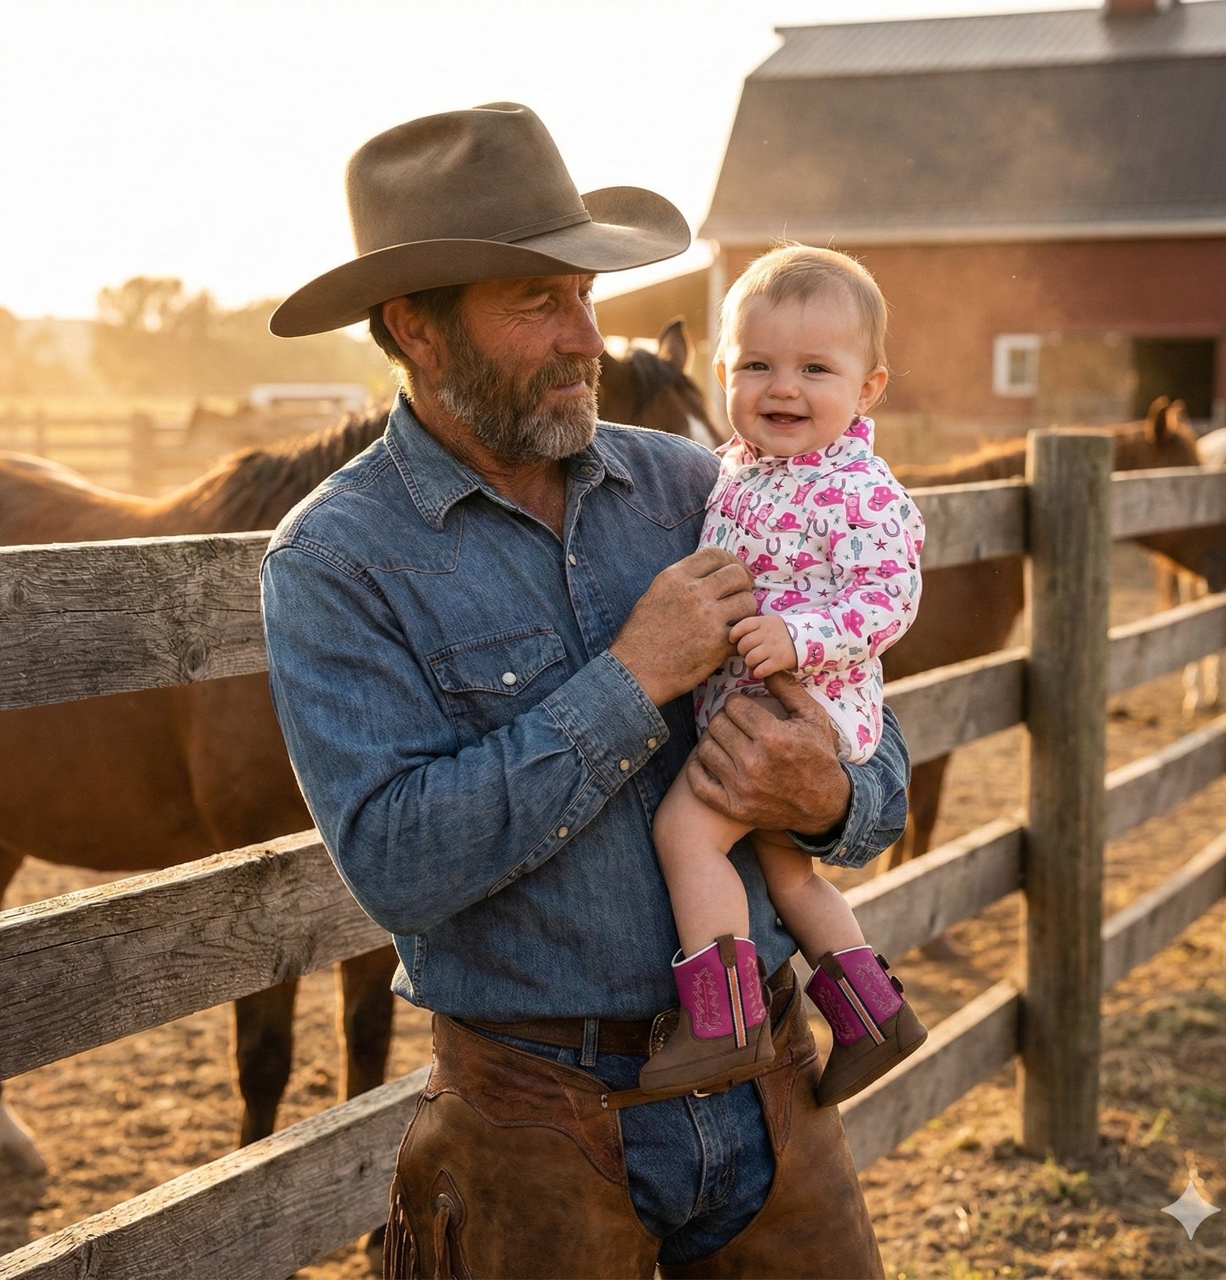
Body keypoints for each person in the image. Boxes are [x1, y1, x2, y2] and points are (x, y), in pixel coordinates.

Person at [261, 102, 910, 1280]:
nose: (588, 339)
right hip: (532, 1122)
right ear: (415, 328)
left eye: (584, 294)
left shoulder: (696, 484)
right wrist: (634, 675)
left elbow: (877, 761)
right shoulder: (336, 559)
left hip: (770, 1088)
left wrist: (824, 794)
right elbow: (395, 861)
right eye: (537, 302)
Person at [641, 245, 928, 1107]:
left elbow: (890, 598)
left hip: (803, 705)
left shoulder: (861, 489)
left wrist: (800, 637)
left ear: (868, 388)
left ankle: (724, 1022)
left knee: (685, 834)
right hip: (751, 702)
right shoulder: (736, 468)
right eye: (758, 365)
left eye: (815, 369)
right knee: (789, 873)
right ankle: (875, 1017)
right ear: (723, 374)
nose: (784, 389)